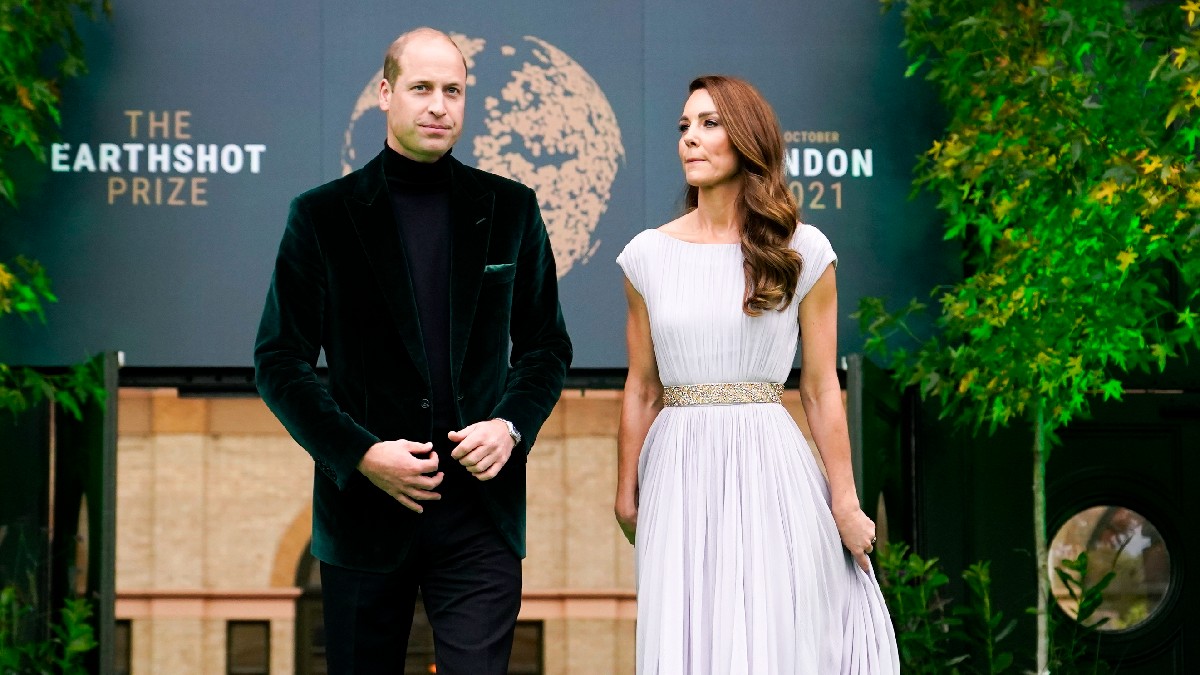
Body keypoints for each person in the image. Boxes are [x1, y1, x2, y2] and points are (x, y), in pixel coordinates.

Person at [254, 27, 571, 674]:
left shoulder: (511, 209)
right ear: (385, 93)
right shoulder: (321, 216)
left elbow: (545, 345)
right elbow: (279, 359)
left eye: (452, 91)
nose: (438, 105)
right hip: (365, 514)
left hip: (481, 512)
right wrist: (362, 453)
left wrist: (511, 426)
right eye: (421, 88)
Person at [615, 75, 899, 673]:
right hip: (676, 469)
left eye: (709, 124)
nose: (691, 138)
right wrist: (625, 488)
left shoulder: (804, 249)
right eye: (684, 126)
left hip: (770, 464)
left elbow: (821, 388)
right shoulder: (646, 255)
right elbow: (642, 385)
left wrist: (844, 501)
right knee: (687, 639)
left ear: (748, 139)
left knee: (772, 637)